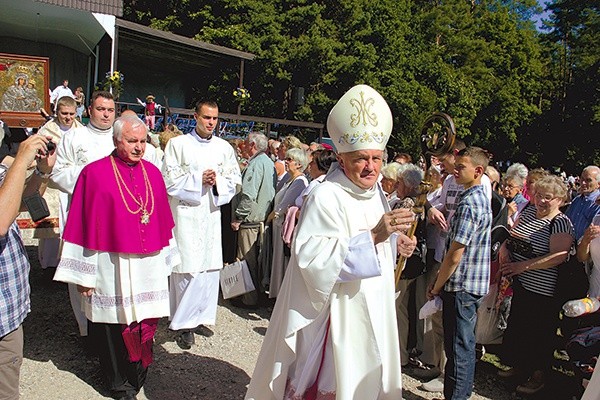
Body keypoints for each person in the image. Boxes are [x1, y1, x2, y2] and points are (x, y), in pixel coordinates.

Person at [246, 84, 417, 399]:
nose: (371, 167)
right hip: (335, 314)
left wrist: (395, 244)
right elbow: (312, 259)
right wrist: (377, 235)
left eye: (377, 159)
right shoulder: (326, 194)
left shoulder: (376, 191)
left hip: (372, 305)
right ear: (340, 157)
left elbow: (377, 240)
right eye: (361, 159)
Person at [53, 115, 177, 400]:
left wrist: (167, 262)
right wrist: (84, 275)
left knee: (144, 319)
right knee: (112, 321)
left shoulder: (153, 173)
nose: (139, 147)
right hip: (110, 262)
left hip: (148, 263)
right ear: (116, 140)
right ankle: (118, 381)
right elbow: (81, 224)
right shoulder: (94, 173)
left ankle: (137, 373)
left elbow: (162, 221)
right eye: (132, 141)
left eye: (143, 141)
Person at [162, 100, 241, 349]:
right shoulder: (178, 145)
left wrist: (217, 182)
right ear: (196, 117)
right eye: (206, 117)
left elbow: (235, 180)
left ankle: (200, 318)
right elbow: (168, 180)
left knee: (208, 269)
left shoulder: (223, 147)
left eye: (215, 118)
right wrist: (198, 179)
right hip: (187, 215)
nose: (210, 123)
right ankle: (182, 323)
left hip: (211, 215)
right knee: (187, 269)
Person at [498, 175, 574, 395]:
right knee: (521, 326)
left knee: (540, 332)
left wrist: (524, 266)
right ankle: (521, 366)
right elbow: (514, 233)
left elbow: (558, 256)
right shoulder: (530, 211)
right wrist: (505, 247)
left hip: (543, 288)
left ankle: (538, 375)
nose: (541, 201)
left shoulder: (560, 222)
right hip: (520, 282)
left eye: (547, 197)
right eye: (538, 195)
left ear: (559, 200)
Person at [427, 146, 492, 400]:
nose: (455, 170)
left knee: (459, 348)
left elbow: (456, 252)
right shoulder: (475, 198)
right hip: (468, 283)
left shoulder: (470, 202)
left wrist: (437, 284)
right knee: (459, 347)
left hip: (463, 284)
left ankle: (457, 396)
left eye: (461, 166)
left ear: (478, 171)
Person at [0, 133, 55, 400]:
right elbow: (0, 222)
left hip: (7, 308)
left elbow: (19, 203)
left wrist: (42, 172)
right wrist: (21, 160)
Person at [36, 96, 83, 270]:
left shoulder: (81, 131)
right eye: (64, 114)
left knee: (72, 225)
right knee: (52, 230)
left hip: (73, 184)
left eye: (72, 114)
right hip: (53, 185)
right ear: (57, 112)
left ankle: (68, 263)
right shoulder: (47, 130)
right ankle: (49, 265)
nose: (68, 118)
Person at [230, 132, 277, 308]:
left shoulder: (256, 164)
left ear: (252, 145)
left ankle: (249, 299)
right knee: (256, 260)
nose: (244, 146)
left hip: (251, 220)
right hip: (262, 218)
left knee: (246, 259)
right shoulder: (268, 163)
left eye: (246, 144)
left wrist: (239, 216)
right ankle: (254, 295)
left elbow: (249, 194)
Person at [267, 147, 308, 299]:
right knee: (276, 260)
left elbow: (283, 205)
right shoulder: (289, 179)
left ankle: (281, 296)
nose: (286, 161)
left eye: (290, 160)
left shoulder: (299, 182)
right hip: (279, 225)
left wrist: (270, 217)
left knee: (281, 261)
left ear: (298, 164)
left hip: (283, 225)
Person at [565, 166, 600, 240]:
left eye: (588, 180)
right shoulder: (577, 200)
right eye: (582, 179)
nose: (583, 183)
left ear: (598, 183)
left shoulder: (597, 204)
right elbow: (566, 220)